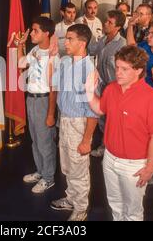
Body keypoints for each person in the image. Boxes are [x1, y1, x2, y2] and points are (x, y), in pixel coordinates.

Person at [86, 45, 153, 221]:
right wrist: (89, 91)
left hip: (134, 165)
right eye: (117, 68)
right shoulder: (111, 88)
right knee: (115, 203)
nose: (118, 73)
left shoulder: (152, 98)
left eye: (124, 69)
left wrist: (150, 168)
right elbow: (100, 109)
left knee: (133, 211)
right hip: (110, 158)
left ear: (138, 70)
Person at [50, 24, 98, 221]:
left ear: (82, 43)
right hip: (66, 121)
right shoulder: (68, 63)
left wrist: (87, 140)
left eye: (70, 39)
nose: (65, 42)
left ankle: (80, 208)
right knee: (68, 166)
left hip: (79, 124)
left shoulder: (89, 70)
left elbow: (93, 112)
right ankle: (71, 198)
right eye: (65, 38)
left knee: (78, 168)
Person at [17, 16, 57, 194]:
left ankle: (48, 178)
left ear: (46, 33)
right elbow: (21, 64)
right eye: (32, 30)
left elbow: (54, 89)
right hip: (31, 99)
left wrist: (50, 114)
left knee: (45, 142)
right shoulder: (34, 50)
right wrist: (20, 45)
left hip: (44, 100)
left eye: (35, 30)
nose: (32, 33)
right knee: (35, 140)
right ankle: (41, 171)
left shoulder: (53, 56)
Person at [87, 10, 127, 157]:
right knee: (103, 119)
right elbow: (91, 49)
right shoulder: (103, 40)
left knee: (114, 121)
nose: (106, 24)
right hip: (101, 88)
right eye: (106, 21)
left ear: (118, 27)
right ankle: (105, 147)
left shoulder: (122, 44)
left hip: (115, 89)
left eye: (110, 22)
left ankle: (112, 150)